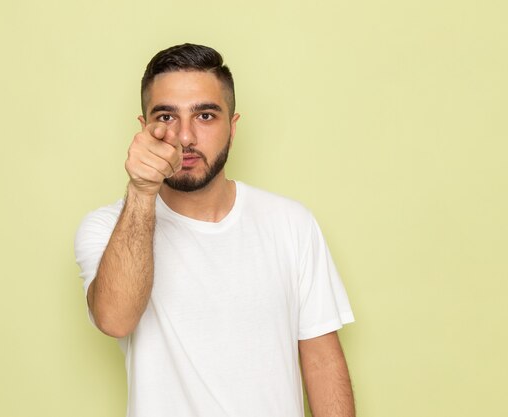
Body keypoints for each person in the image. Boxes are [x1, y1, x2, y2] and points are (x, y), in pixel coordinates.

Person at [75, 43, 356, 417]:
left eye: (205, 116)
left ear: (232, 127)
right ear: (144, 130)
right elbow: (114, 319)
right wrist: (143, 190)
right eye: (167, 117)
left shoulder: (291, 223)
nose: (186, 137)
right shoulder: (109, 227)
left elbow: (322, 362)